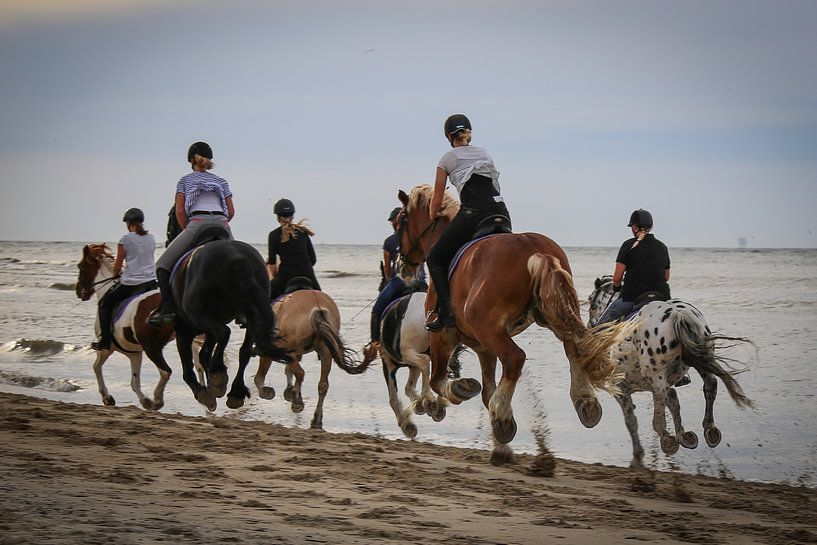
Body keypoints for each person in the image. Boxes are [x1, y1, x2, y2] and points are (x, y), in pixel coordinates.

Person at [425, 113, 510, 332]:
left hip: (474, 213)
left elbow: (436, 199)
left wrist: (434, 213)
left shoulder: (447, 159)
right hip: (501, 211)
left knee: (435, 258)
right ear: (469, 134)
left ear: (448, 136)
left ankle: (446, 313)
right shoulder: (485, 153)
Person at [149, 141, 234, 326]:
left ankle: (168, 308)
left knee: (162, 265)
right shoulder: (221, 181)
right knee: (237, 262)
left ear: (191, 161)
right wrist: (221, 223)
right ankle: (244, 310)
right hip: (222, 223)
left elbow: (179, 211)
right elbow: (231, 211)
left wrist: (189, 228)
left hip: (197, 223)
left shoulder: (185, 180)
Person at [362, 207, 427, 362]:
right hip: (421, 283)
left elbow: (387, 268)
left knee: (377, 308)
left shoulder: (390, 241)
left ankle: (375, 342)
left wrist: (389, 280)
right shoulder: (419, 239)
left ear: (394, 223)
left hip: (399, 283)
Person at [91, 208, 158, 350]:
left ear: (128, 223)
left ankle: (105, 341)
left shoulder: (125, 240)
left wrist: (116, 273)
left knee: (104, 303)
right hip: (151, 282)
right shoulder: (151, 238)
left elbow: (118, 264)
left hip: (132, 284)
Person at [597, 209, 671, 324]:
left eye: (632, 226)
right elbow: (666, 277)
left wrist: (617, 287)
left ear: (635, 228)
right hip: (662, 296)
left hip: (632, 297)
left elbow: (617, 278)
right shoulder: (662, 246)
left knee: (599, 327)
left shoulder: (628, 245)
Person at [267, 198, 320, 299]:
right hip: (307, 273)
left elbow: (272, 264)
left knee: (265, 301)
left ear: (278, 217)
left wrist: (277, 278)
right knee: (322, 298)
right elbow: (313, 259)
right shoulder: (303, 232)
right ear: (292, 215)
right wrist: (303, 268)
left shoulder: (273, 235)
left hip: (286, 275)